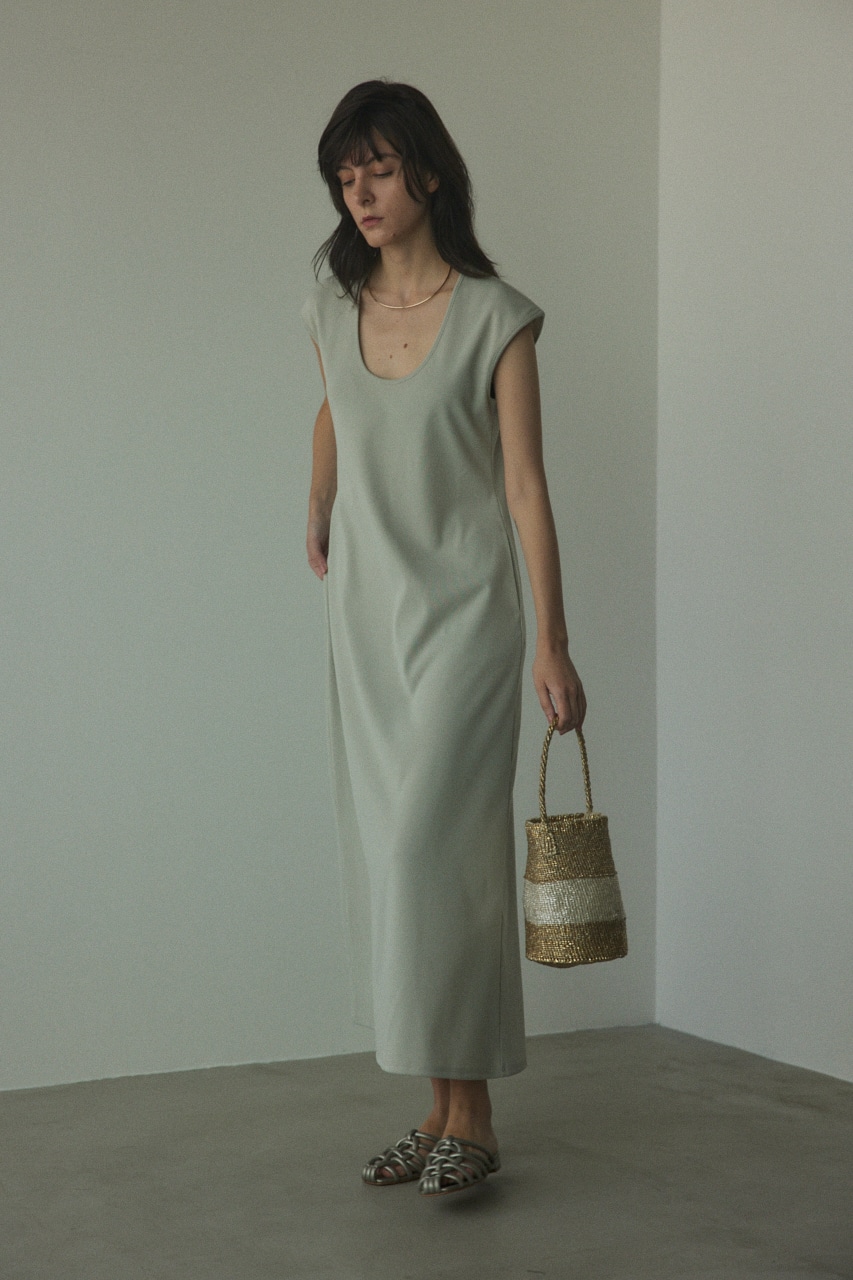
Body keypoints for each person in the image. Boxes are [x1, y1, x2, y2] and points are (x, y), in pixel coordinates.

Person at [302, 80, 585, 1197]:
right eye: (344, 176)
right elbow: (333, 407)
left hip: (466, 617)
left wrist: (553, 642)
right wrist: (316, 500)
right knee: (402, 867)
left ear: (426, 171)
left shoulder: (495, 316)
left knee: (435, 856)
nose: (359, 192)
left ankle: (478, 1117)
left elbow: (525, 486)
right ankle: (435, 1109)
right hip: (366, 619)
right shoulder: (332, 303)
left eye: (377, 168)